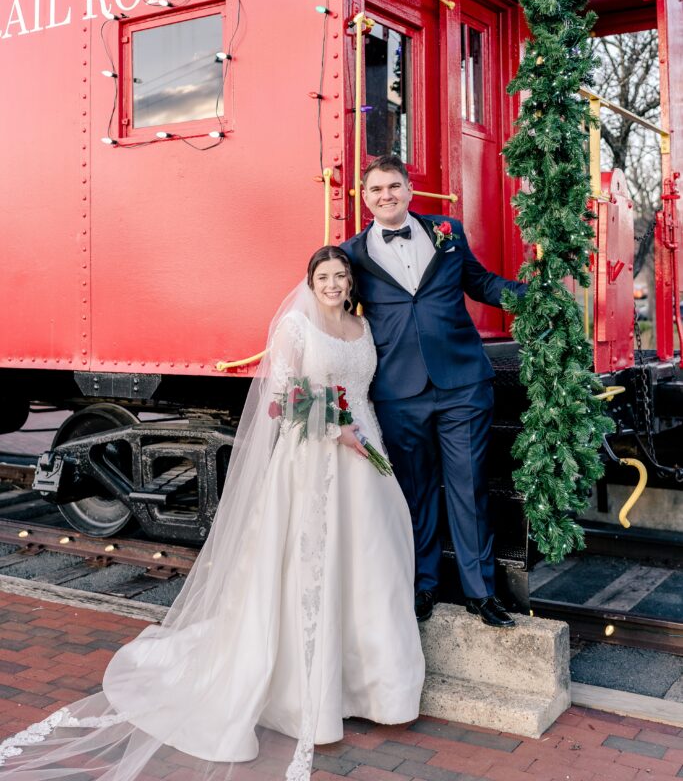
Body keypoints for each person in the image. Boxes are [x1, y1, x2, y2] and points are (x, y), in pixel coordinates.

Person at [0, 246, 424, 781]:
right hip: (316, 461)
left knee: (371, 564)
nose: (334, 284)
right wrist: (333, 429)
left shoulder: (360, 330)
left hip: (363, 456)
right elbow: (287, 395)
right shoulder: (296, 326)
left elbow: (358, 392)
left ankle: (378, 690)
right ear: (311, 282)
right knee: (311, 564)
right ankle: (311, 693)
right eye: (325, 276)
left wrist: (355, 433)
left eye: (341, 276)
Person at [342, 155, 526, 629]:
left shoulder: (447, 231)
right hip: (398, 391)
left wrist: (534, 295)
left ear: (409, 189)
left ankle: (480, 592)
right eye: (376, 189)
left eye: (394, 186)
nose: (386, 195)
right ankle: (424, 584)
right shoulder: (351, 254)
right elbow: (335, 315)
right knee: (416, 493)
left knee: (468, 487)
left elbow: (481, 283)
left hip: (463, 382)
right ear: (365, 198)